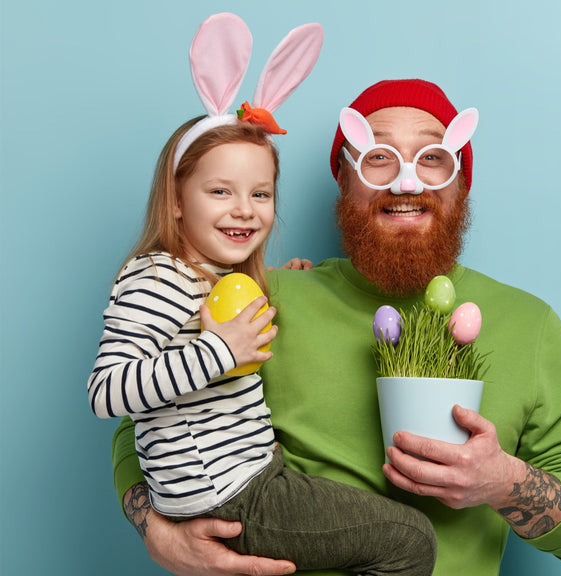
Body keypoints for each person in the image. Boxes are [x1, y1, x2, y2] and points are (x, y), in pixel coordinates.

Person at [110, 79, 561, 576]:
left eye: (432, 157)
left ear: (461, 181)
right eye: (378, 157)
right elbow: (145, 423)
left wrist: (503, 482)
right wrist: (160, 534)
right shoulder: (270, 300)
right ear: (344, 181)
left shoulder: (530, 325)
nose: (405, 183)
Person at [92, 16, 436, 576]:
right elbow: (107, 392)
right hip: (231, 494)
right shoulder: (156, 277)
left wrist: (284, 277)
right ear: (176, 200)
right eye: (220, 191)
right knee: (409, 538)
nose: (244, 209)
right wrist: (219, 352)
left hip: (251, 472)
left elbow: (208, 314)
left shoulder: (206, 275)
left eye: (260, 193)